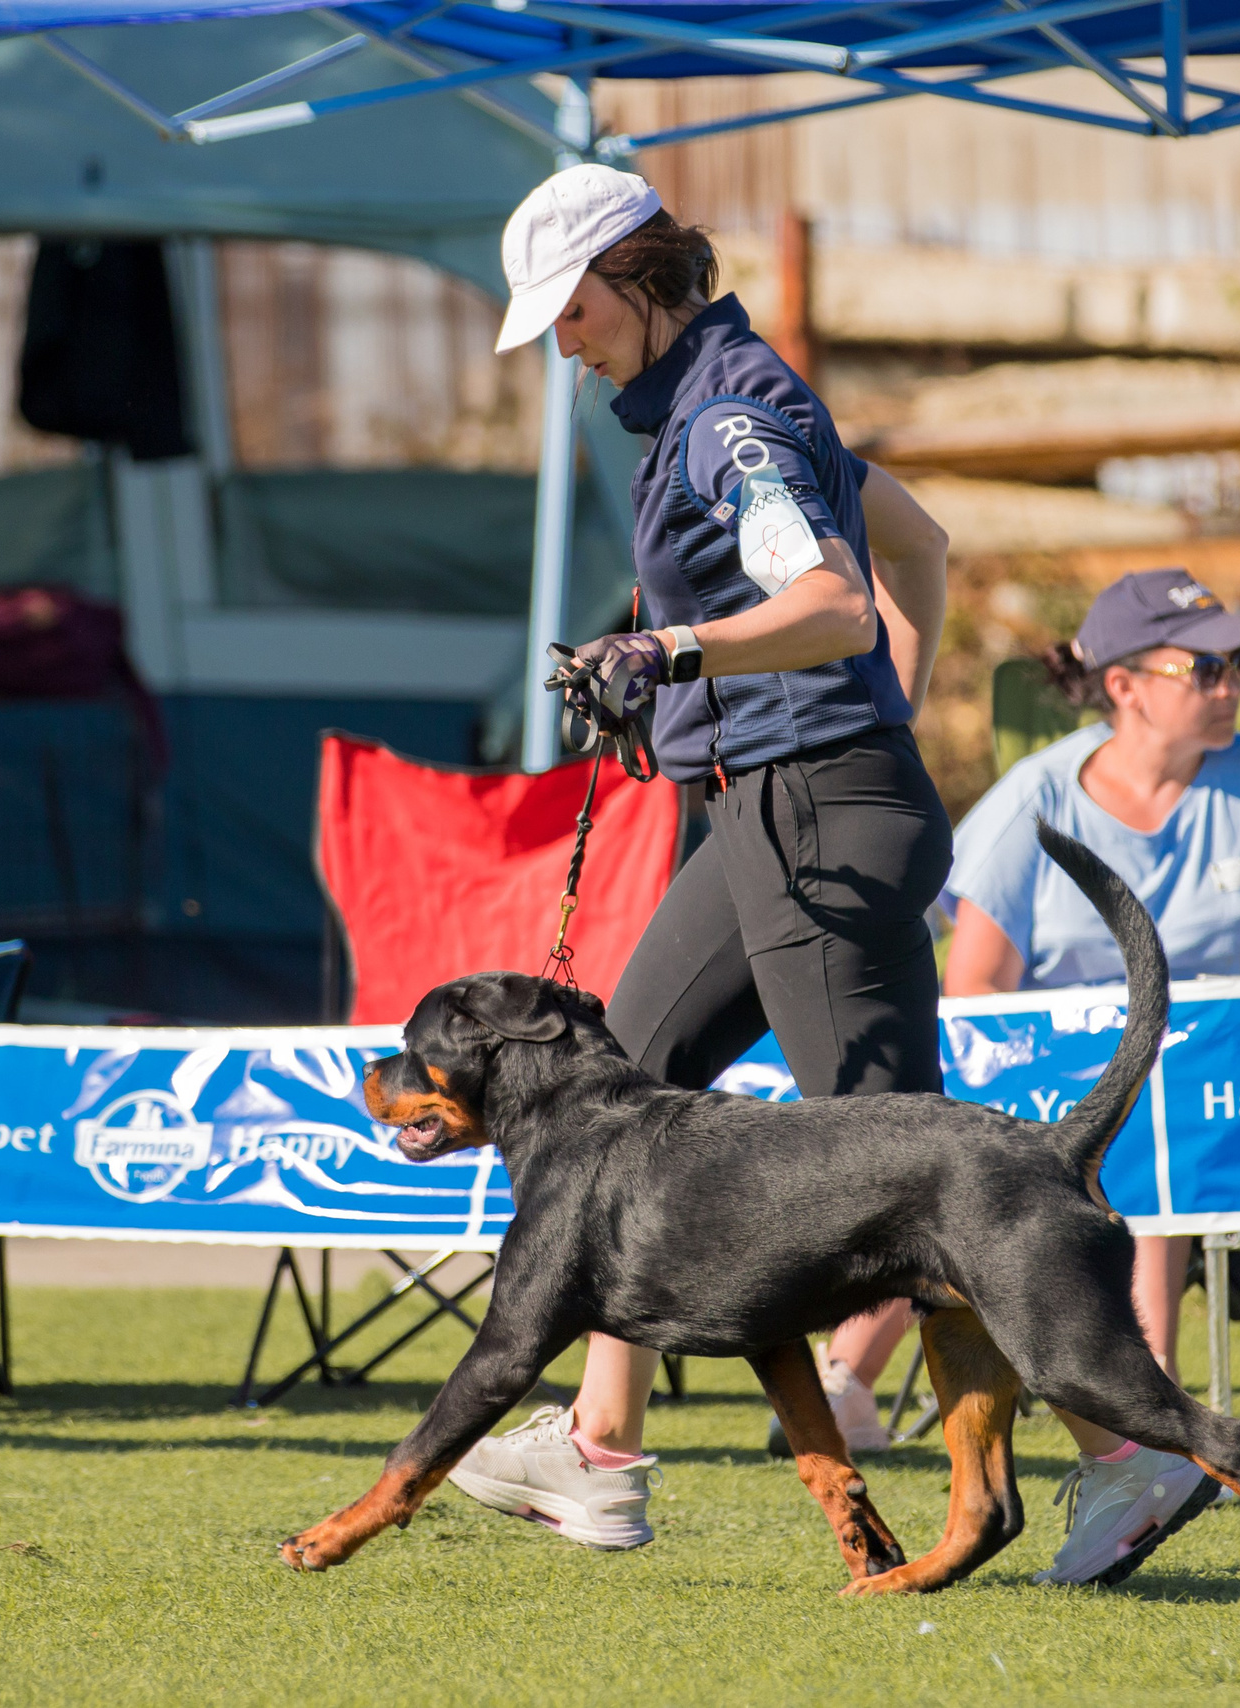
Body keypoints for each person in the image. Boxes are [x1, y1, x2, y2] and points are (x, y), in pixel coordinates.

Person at [439, 165, 953, 1549]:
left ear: (643, 273)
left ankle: (1127, 1454)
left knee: (926, 1193)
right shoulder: (717, 402)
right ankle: (599, 1449)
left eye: (574, 305)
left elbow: (841, 598)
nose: (562, 337)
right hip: (774, 813)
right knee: (617, 1083)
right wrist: (882, 712)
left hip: (815, 820)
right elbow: (918, 544)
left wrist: (672, 650)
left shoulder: (727, 420)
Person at [940, 567, 1240, 1585]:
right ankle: (855, 1380)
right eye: (1206, 664)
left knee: (1161, 1101)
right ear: (1123, 684)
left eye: (1239, 664)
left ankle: (1147, 1420)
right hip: (1054, 1112)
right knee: (1056, 1137)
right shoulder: (1036, 799)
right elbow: (971, 1004)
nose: (1232, 682)